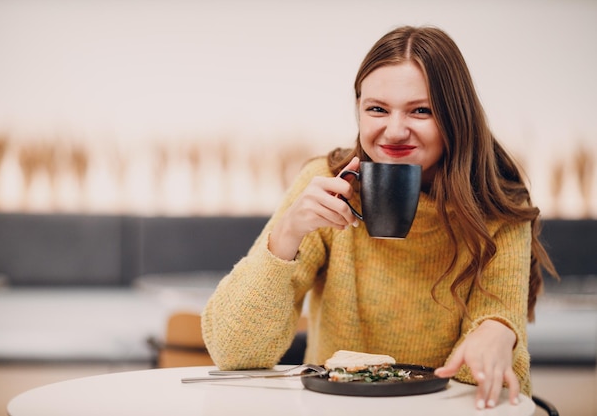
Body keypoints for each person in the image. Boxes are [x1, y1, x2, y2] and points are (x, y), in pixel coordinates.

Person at [201, 25, 556, 410]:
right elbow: (235, 352)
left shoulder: (499, 206)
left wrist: (500, 332)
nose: (395, 130)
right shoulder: (330, 183)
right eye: (377, 109)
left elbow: (487, 384)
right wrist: (286, 234)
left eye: (421, 110)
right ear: (359, 110)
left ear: (455, 116)